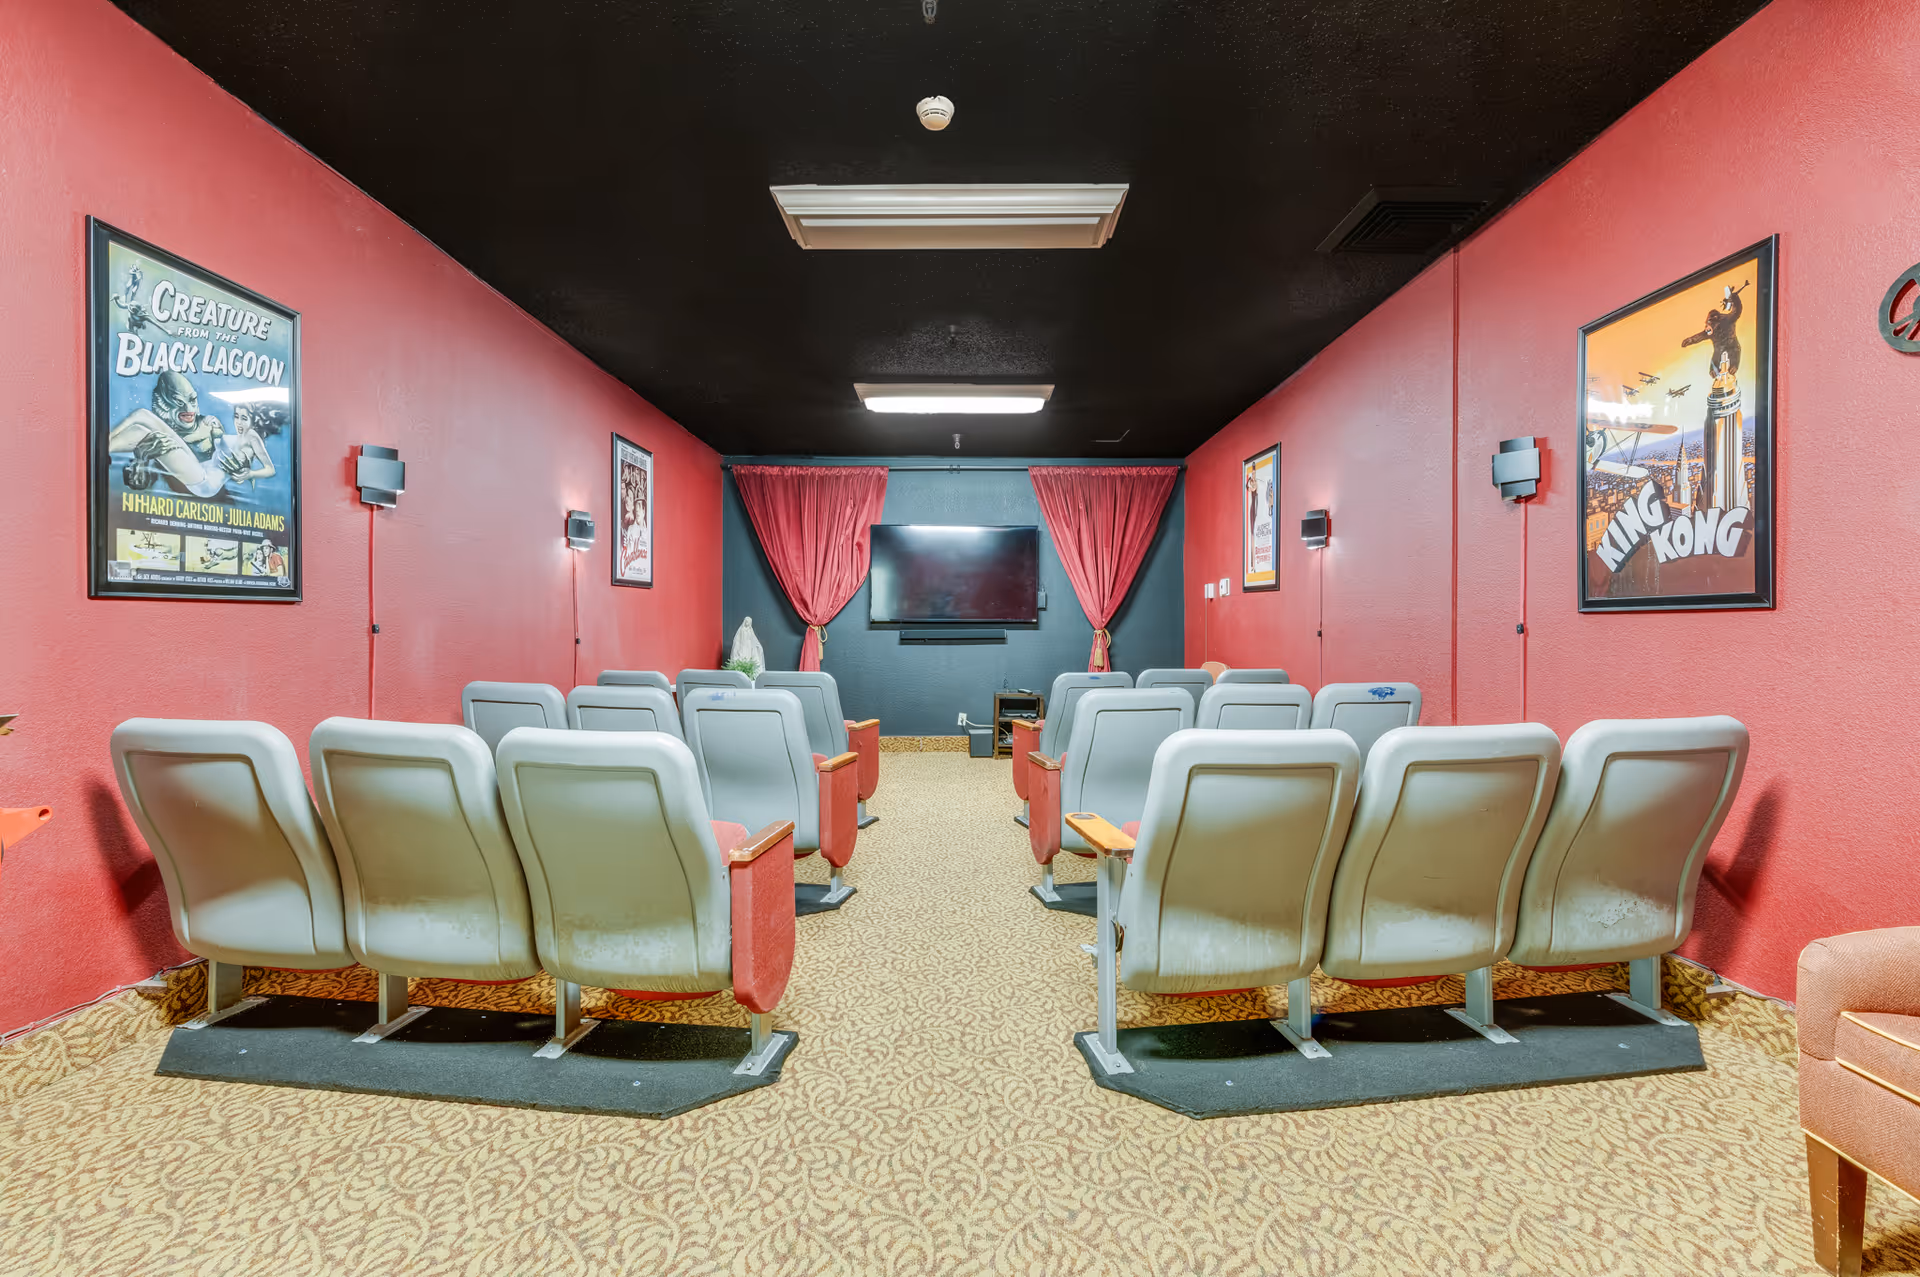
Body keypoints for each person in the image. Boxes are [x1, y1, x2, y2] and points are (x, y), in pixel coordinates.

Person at [109, 372, 275, 498]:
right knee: (142, 425)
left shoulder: (252, 437)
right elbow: (217, 447)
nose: (239, 422)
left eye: (244, 418)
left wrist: (250, 474)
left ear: (253, 420)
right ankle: (103, 446)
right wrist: (215, 428)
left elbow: (270, 469)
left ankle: (99, 448)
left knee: (144, 424)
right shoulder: (229, 437)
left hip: (205, 482)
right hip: (199, 469)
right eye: (237, 417)